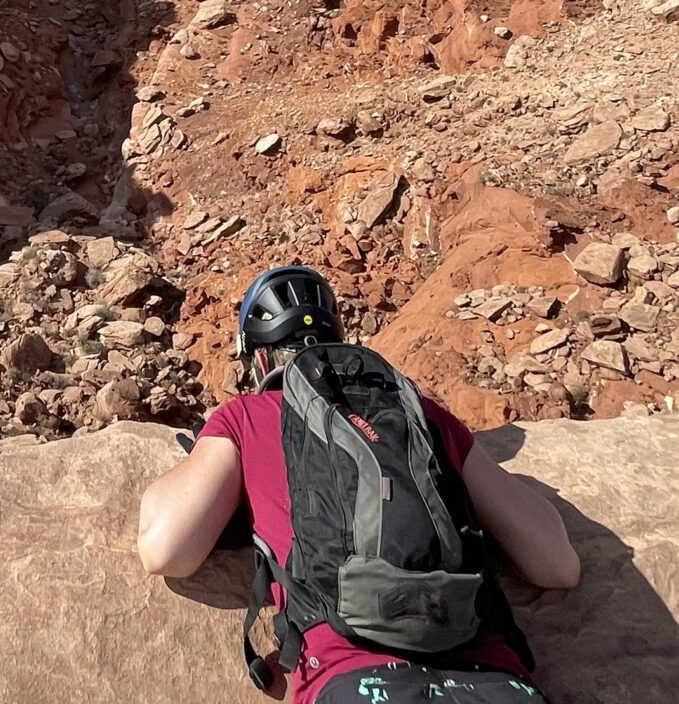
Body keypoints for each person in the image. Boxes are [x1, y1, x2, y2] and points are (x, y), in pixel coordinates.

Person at [136, 265, 581, 704]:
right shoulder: (423, 416)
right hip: (492, 679)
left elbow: (165, 548)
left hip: (353, 676)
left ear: (258, 358)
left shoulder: (245, 417)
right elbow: (558, 565)